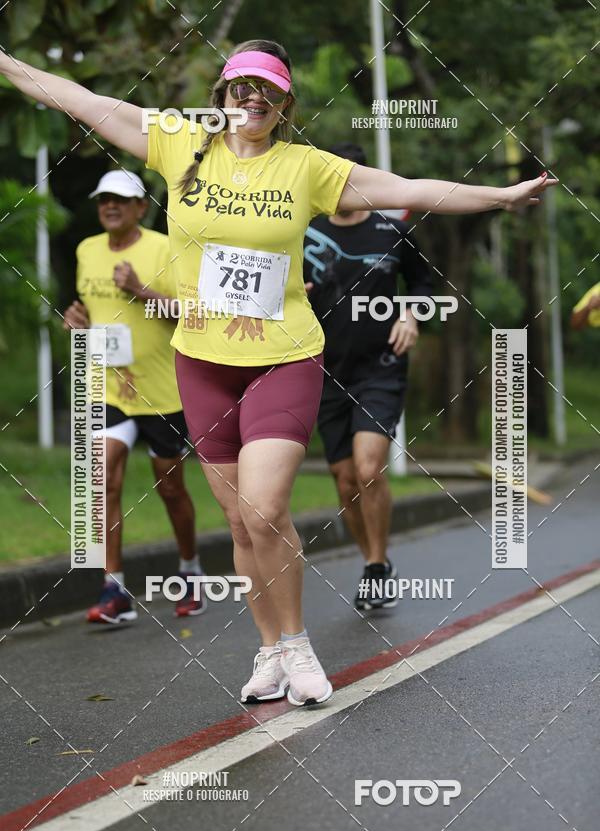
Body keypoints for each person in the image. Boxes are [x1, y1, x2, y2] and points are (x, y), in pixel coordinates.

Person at [0, 39, 556, 706]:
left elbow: (408, 189)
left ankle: (296, 643)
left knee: (265, 510)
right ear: (222, 93)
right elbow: (79, 100)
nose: (252, 101)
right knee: (238, 524)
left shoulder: (306, 168)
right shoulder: (181, 142)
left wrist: (501, 194)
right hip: (202, 362)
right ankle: (267, 651)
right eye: (241, 88)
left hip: (284, 356)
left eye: (267, 92)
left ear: (285, 104)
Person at [63, 170, 205, 624]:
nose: (111, 207)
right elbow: (87, 308)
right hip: (104, 384)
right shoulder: (87, 250)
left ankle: (189, 570)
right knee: (102, 477)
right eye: (105, 199)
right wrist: (75, 321)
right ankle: (115, 589)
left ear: (142, 207)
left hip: (161, 392)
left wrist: (142, 291)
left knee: (171, 488)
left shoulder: (164, 247)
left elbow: (193, 311)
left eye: (121, 201)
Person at [304, 142, 432, 611]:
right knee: (342, 479)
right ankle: (370, 560)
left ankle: (378, 567)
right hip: (323, 370)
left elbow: (423, 282)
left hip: (380, 367)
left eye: (349, 176)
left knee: (367, 467)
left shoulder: (392, 231)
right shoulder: (306, 232)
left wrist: (412, 315)